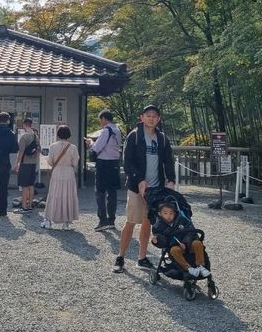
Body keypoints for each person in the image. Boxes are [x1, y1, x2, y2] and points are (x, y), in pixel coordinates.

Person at [113, 104, 175, 273]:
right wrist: (139, 179)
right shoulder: (134, 136)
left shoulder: (162, 138)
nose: (151, 118)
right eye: (148, 115)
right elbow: (127, 162)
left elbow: (168, 161)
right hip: (136, 187)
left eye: (155, 116)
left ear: (159, 119)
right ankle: (120, 257)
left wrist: (171, 180)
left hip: (156, 187)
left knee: (148, 222)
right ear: (141, 117)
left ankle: (141, 258)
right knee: (131, 221)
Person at [151, 201, 210, 278]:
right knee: (174, 250)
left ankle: (201, 266)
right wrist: (156, 241)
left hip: (188, 244)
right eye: (165, 213)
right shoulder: (158, 226)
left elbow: (191, 231)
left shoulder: (182, 220)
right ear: (160, 214)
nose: (168, 216)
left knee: (197, 243)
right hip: (175, 246)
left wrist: (185, 243)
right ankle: (189, 268)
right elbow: (164, 242)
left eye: (171, 213)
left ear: (175, 213)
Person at [85, 110, 122, 231]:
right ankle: (111, 220)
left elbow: (97, 148)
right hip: (114, 163)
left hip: (104, 163)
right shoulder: (117, 131)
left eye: (100, 119)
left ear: (104, 119)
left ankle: (102, 220)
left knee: (100, 192)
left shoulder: (106, 131)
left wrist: (90, 143)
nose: (100, 122)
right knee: (112, 192)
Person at [41, 125, 79, 230]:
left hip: (57, 172)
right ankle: (66, 222)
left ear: (58, 134)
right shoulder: (73, 147)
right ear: (69, 135)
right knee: (68, 196)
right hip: (68, 172)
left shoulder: (53, 146)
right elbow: (75, 163)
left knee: (54, 195)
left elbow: (49, 161)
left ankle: (48, 220)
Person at [13, 118, 39, 214]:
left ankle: (23, 207)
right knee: (31, 185)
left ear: (24, 125)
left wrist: (17, 164)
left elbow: (21, 152)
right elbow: (38, 150)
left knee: (24, 186)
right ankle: (29, 205)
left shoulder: (24, 137)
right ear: (31, 125)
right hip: (33, 163)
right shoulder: (36, 136)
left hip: (25, 164)